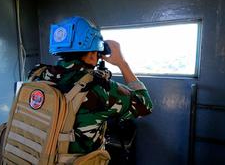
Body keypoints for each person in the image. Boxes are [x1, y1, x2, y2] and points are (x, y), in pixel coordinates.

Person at [28, 16, 153, 163]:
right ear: (94, 52)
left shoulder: (37, 73)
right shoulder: (100, 88)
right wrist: (122, 63)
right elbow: (145, 106)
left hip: (35, 156)